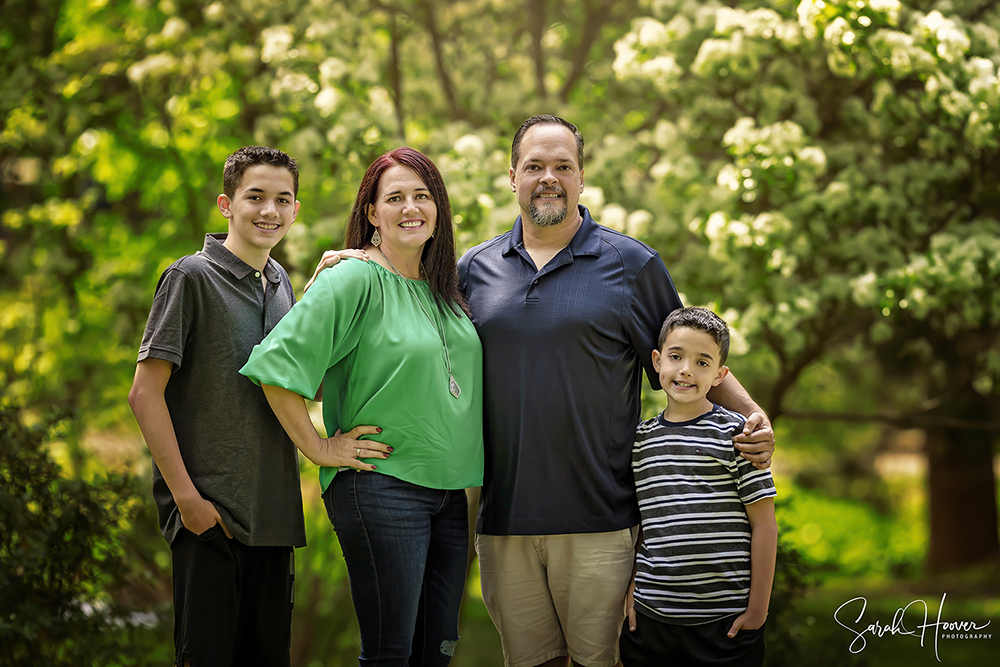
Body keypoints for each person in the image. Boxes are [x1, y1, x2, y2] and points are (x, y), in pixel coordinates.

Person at [457, 115, 776, 667]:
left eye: (563, 166)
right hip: (503, 518)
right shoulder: (474, 269)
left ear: (582, 178)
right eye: (535, 166)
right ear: (513, 177)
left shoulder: (631, 263)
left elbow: (688, 356)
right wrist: (358, 259)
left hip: (602, 520)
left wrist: (753, 416)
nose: (548, 177)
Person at [239, 146, 484, 667]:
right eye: (394, 197)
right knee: (391, 655)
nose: (410, 207)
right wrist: (318, 448)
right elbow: (275, 369)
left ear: (438, 209)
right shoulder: (351, 278)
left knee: (435, 654)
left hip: (448, 494)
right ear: (372, 214)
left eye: (422, 196)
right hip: (381, 486)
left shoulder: (446, 290)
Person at [128, 145, 366, 667]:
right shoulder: (190, 278)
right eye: (255, 197)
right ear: (225, 204)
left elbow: (303, 382)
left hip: (274, 518)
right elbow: (144, 395)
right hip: (209, 517)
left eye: (283, 199)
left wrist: (342, 279)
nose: (269, 211)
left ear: (296, 210)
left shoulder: (281, 287)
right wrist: (187, 500)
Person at [621, 307, 777, 667]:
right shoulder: (641, 440)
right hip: (652, 617)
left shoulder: (738, 436)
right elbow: (647, 525)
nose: (687, 369)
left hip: (724, 622)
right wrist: (633, 593)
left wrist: (758, 610)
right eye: (676, 357)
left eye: (702, 362)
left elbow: (765, 526)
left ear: (720, 374)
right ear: (657, 362)